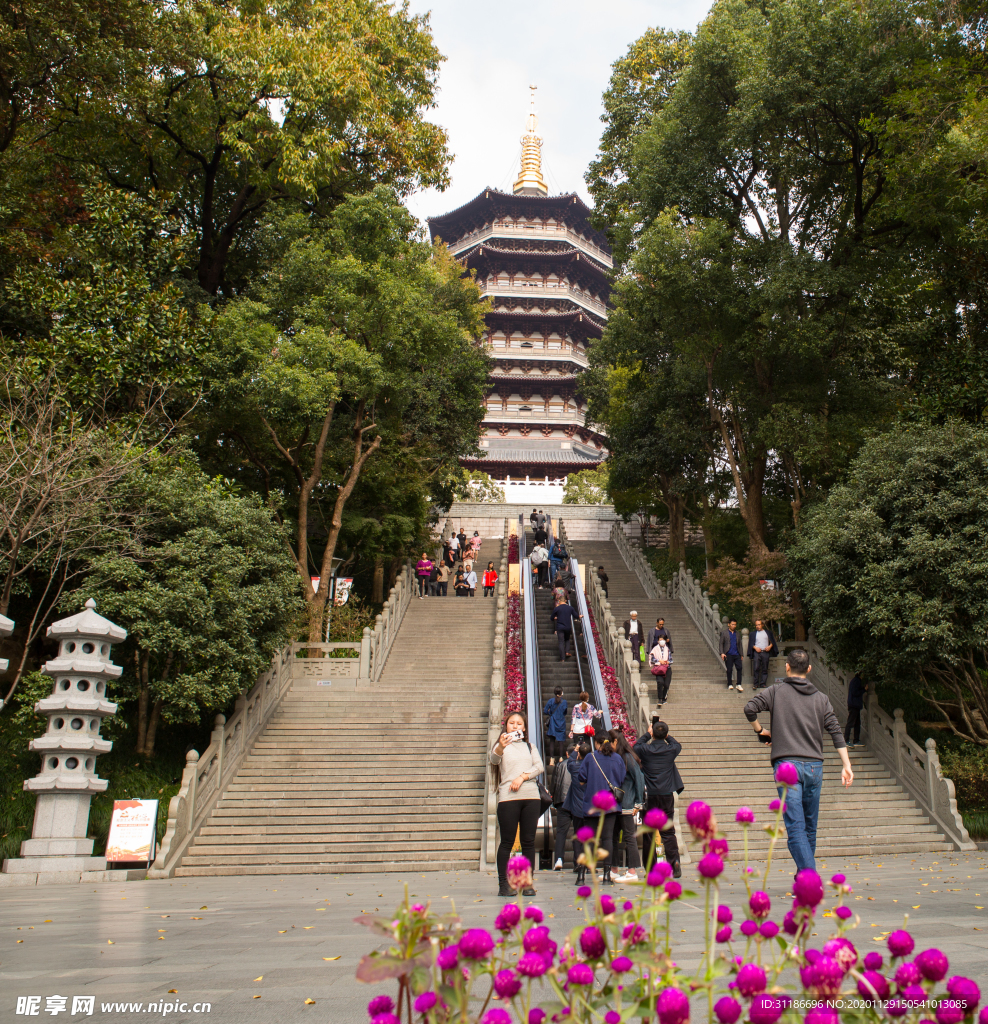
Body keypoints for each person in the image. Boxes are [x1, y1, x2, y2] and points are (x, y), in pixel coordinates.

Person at [743, 648, 853, 873]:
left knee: (795, 827)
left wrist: (762, 730)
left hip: (787, 767)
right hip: (814, 767)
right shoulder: (821, 699)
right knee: (809, 827)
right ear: (809, 669)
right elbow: (835, 731)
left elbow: (750, 708)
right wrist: (846, 765)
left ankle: (808, 878)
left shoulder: (775, 691)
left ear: (787, 667)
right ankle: (804, 878)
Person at [490, 712, 544, 897]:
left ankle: (527, 883)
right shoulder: (501, 745)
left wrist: (522, 776)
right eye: (511, 723)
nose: (515, 726)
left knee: (528, 842)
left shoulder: (530, 746)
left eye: (519, 723)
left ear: (524, 727)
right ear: (506, 726)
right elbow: (494, 760)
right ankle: (504, 884)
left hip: (531, 797)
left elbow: (539, 766)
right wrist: (500, 748)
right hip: (508, 798)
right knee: (506, 842)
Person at [633, 719, 683, 876]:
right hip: (667, 795)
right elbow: (677, 744)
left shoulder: (645, 750)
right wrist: (666, 735)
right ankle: (674, 862)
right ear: (666, 734)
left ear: (652, 733)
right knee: (668, 832)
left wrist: (648, 734)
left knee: (649, 832)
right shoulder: (671, 750)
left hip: (651, 796)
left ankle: (650, 868)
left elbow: (636, 746)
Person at [576, 735, 626, 885]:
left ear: (596, 743)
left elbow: (581, 778)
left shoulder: (590, 758)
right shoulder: (617, 758)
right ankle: (606, 875)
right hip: (610, 805)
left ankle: (581, 876)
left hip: (592, 803)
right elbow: (622, 779)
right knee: (608, 838)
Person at [608, 730, 645, 883]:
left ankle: (632, 871)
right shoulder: (618, 757)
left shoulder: (627, 758)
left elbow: (639, 778)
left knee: (629, 837)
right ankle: (614, 869)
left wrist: (639, 802)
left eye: (610, 742)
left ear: (615, 742)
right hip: (617, 805)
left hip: (627, 804)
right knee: (613, 837)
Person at [561, 741, 590, 874]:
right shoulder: (593, 768)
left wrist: (575, 750)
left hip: (577, 807)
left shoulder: (574, 767)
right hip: (591, 807)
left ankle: (578, 862)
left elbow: (570, 760)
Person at [551, 741, 580, 870]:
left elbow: (555, 783)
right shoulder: (582, 765)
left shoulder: (559, 765)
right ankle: (578, 861)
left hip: (562, 801)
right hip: (577, 801)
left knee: (561, 832)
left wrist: (553, 799)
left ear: (567, 754)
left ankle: (559, 860)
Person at [747, 618, 778, 689]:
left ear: (762, 625)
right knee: (756, 668)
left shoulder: (768, 633)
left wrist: (770, 646)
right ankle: (755, 684)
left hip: (765, 652)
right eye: (756, 625)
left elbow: (772, 642)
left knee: (765, 668)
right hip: (757, 653)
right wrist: (755, 648)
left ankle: (763, 683)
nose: (757, 626)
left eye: (759, 625)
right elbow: (751, 644)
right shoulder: (753, 634)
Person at [543, 687, 568, 764]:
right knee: (561, 742)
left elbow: (545, 711)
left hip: (553, 723)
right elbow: (565, 712)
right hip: (561, 722)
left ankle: (551, 759)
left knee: (552, 741)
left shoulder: (551, 701)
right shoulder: (564, 702)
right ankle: (561, 758)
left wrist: (550, 713)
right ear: (561, 693)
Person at [719, 618, 745, 692]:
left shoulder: (737, 633)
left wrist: (741, 654)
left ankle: (739, 684)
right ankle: (729, 684)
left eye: (735, 624)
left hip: (737, 654)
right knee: (729, 669)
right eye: (732, 624)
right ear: (729, 624)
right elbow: (721, 643)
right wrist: (722, 653)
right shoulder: (724, 633)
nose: (734, 626)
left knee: (739, 668)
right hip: (728, 653)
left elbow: (740, 644)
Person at [844, 673, 868, 747]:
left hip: (855, 705)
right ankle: (846, 740)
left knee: (857, 723)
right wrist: (864, 689)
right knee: (850, 722)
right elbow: (855, 692)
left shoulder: (856, 681)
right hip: (854, 705)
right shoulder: (856, 681)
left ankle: (856, 740)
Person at [648, 638, 672, 705]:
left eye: (663, 640)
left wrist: (667, 662)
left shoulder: (667, 649)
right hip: (658, 668)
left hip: (667, 668)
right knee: (660, 682)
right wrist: (659, 661)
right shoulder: (655, 649)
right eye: (660, 640)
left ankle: (664, 697)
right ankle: (660, 699)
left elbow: (671, 660)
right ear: (658, 641)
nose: (662, 641)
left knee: (666, 684)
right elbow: (652, 659)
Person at [551, 597, 575, 661]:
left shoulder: (557, 608)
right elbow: (575, 615)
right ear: (565, 601)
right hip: (567, 627)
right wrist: (579, 616)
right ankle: (567, 651)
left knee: (561, 642)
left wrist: (555, 618)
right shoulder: (570, 608)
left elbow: (551, 617)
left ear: (559, 601)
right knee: (567, 639)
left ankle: (562, 658)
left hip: (560, 627)